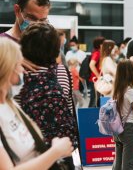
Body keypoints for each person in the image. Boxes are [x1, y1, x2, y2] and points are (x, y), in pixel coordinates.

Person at [0, 38, 74, 170]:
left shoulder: (9, 104)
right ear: (7, 67)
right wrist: (55, 152)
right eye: (18, 64)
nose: (23, 70)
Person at [16, 23, 79, 168]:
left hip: (28, 154)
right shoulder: (61, 72)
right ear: (56, 50)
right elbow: (69, 108)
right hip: (61, 150)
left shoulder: (16, 75)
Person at [88, 36, 105, 107]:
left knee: (96, 99)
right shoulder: (97, 53)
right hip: (95, 80)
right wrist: (98, 76)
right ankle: (89, 116)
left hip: (96, 80)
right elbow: (91, 64)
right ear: (100, 45)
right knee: (94, 99)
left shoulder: (99, 53)